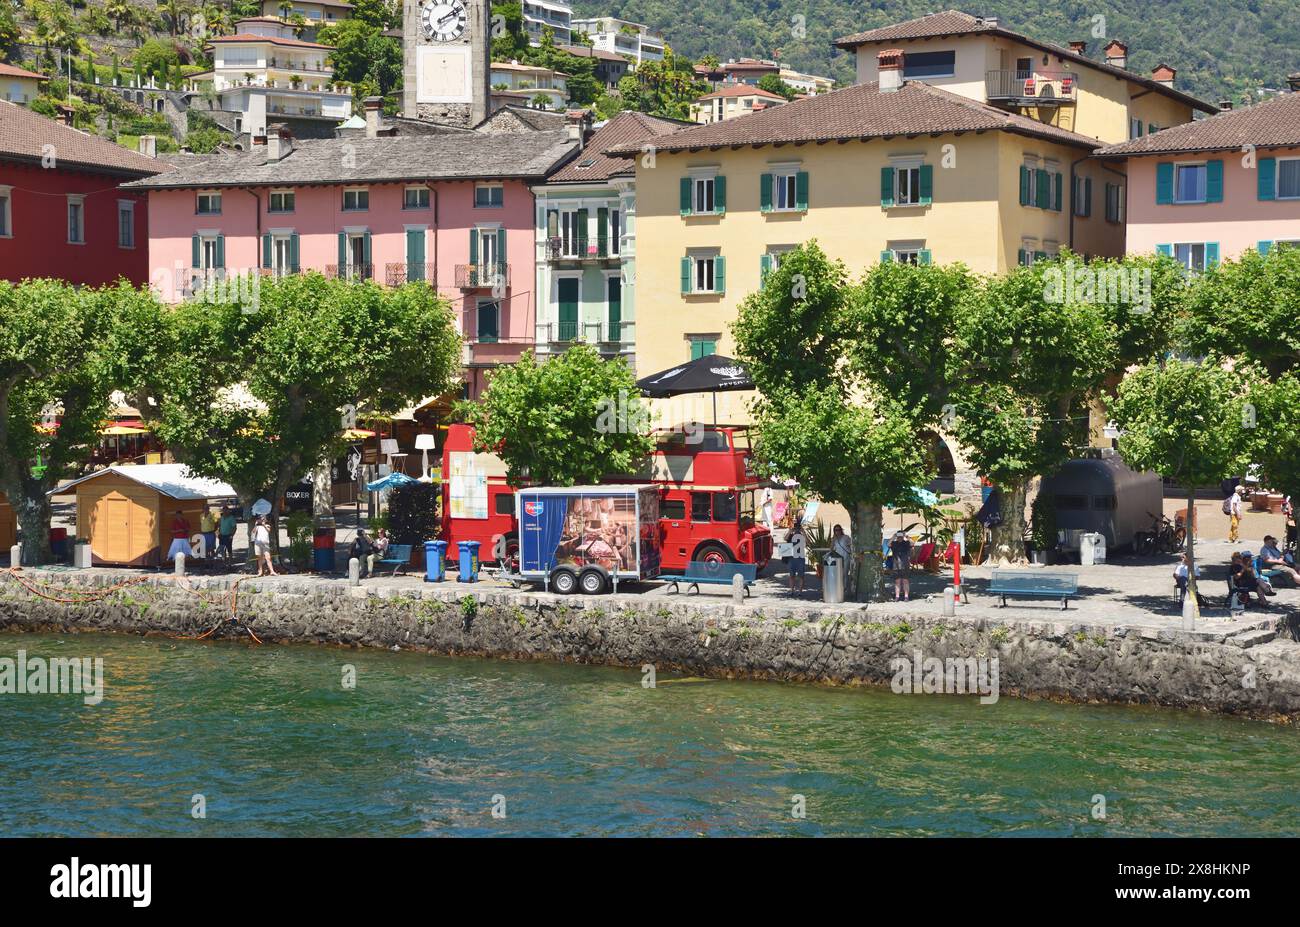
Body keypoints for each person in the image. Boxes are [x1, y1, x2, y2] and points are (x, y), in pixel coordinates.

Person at [830, 525, 854, 596]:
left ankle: (845, 588)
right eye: (835, 530)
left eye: (838, 530)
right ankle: (840, 588)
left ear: (841, 530)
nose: (837, 531)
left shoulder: (846, 537)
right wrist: (833, 541)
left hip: (846, 557)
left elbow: (851, 545)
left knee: (845, 573)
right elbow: (831, 549)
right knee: (838, 574)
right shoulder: (834, 539)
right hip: (837, 558)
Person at [889, 530, 913, 601]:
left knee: (905, 581)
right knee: (897, 581)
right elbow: (888, 544)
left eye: (901, 536)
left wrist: (907, 536)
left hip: (905, 564)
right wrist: (893, 536)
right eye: (898, 536)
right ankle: (897, 597)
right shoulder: (894, 543)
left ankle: (906, 596)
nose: (900, 537)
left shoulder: (906, 543)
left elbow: (912, 543)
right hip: (896, 565)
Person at [787, 516, 807, 594]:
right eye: (796, 526)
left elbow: (808, 542)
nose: (797, 528)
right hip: (792, 557)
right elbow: (785, 538)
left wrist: (803, 532)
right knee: (792, 575)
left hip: (800, 557)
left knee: (801, 575)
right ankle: (792, 590)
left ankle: (800, 591)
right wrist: (790, 531)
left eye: (798, 526)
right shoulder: (791, 534)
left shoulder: (802, 535)